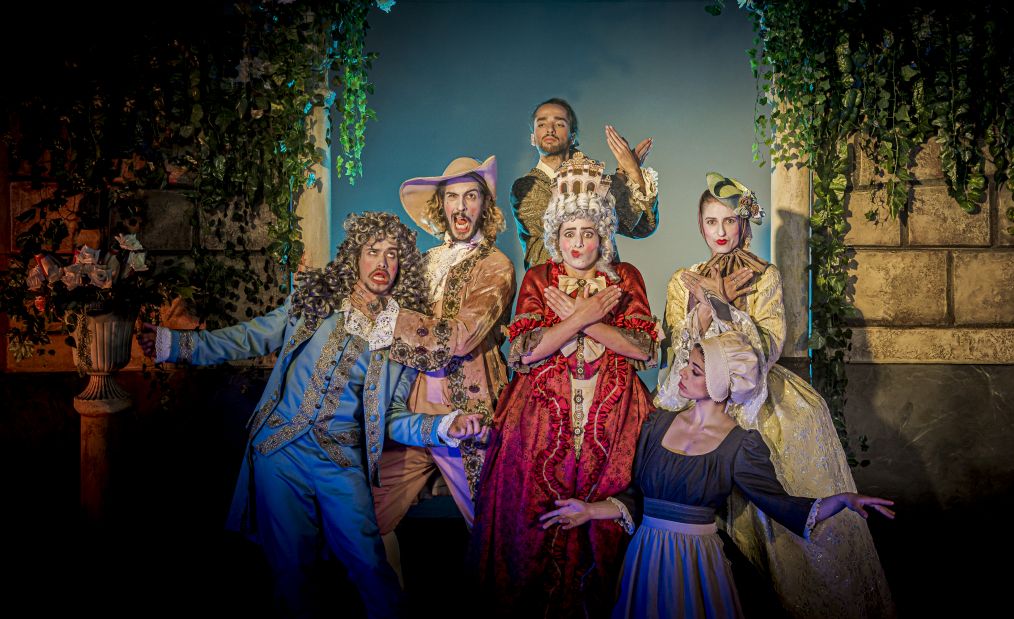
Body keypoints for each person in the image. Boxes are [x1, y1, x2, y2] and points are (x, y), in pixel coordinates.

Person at [138, 212, 485, 618]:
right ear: (355, 256)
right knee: (291, 572)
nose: (382, 262)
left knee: (370, 566)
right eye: (373, 251)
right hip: (280, 449)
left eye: (392, 255)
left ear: (402, 266)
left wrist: (442, 426)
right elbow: (249, 337)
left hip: (340, 462)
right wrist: (175, 345)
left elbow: (391, 418)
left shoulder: (402, 339)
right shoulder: (315, 304)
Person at [654, 172, 896, 618]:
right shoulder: (682, 281)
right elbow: (680, 349)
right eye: (711, 222)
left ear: (744, 223)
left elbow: (768, 344)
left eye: (730, 220)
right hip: (699, 393)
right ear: (700, 225)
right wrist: (708, 305)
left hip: (758, 394)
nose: (721, 232)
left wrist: (721, 305)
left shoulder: (765, 276)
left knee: (773, 502)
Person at [540, 327, 896, 619]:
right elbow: (636, 497)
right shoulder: (656, 424)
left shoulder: (740, 445)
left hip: (696, 563)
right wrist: (589, 511)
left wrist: (842, 499)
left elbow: (782, 505)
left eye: (695, 371)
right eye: (687, 365)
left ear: (720, 382)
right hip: (646, 558)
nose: (682, 373)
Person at [471, 153, 660, 618]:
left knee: (605, 527)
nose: (578, 243)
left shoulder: (626, 277)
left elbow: (641, 350)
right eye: (569, 233)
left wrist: (584, 319)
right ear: (556, 235)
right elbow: (526, 353)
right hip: (539, 416)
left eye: (588, 232)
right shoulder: (540, 278)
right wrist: (582, 317)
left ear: (603, 234)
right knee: (530, 523)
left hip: (613, 413)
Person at [358, 156, 515, 574]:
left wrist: (390, 317)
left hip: (469, 414)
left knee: (493, 531)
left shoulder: (496, 266)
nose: (461, 207)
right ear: (441, 205)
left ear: (485, 205)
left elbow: (459, 337)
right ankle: (386, 603)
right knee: (361, 519)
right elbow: (375, 313)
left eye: (471, 196)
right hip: (410, 414)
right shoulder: (425, 262)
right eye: (452, 197)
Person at [510, 97, 659, 268]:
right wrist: (624, 175)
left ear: (573, 137)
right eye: (541, 124)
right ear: (533, 138)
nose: (550, 129)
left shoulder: (597, 180)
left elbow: (642, 227)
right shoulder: (526, 187)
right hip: (552, 282)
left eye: (559, 124)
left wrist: (635, 175)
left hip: (604, 280)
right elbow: (573, 223)